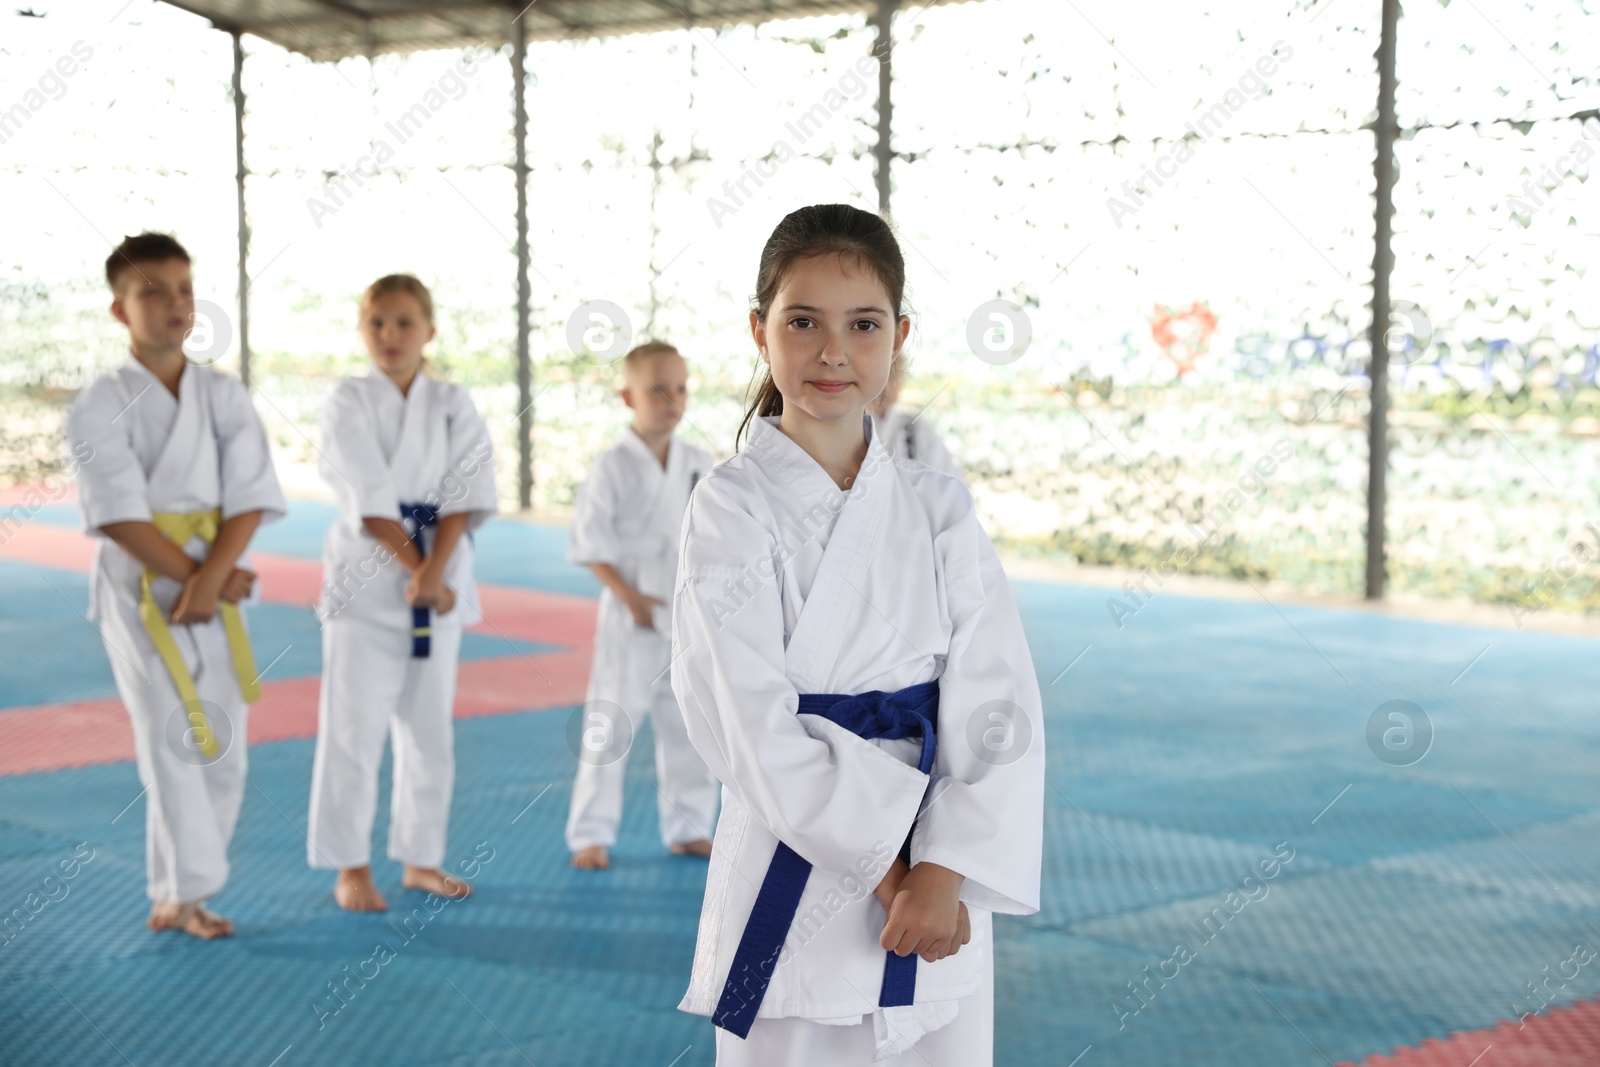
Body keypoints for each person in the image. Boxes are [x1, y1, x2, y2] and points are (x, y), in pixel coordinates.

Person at [669, 204, 1045, 1065]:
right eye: (802, 322)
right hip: (794, 855)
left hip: (935, 876)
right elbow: (743, 715)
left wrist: (944, 867)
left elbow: (999, 695)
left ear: (899, 335)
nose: (833, 351)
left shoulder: (937, 501)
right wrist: (891, 867)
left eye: (863, 324)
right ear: (760, 331)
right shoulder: (731, 503)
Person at [67, 232, 285, 939]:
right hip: (139, 589)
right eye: (152, 290)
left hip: (212, 578)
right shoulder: (99, 404)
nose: (174, 304)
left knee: (223, 741)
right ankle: (185, 895)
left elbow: (250, 494)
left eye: (184, 289)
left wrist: (212, 577)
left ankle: (179, 883)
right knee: (170, 737)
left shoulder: (223, 393)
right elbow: (120, 515)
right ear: (119, 309)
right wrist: (204, 577)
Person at [307, 274, 497, 912]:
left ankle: (420, 859)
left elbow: (467, 489)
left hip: (438, 583)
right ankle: (351, 867)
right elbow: (368, 496)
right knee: (353, 732)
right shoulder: (348, 401)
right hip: (367, 583)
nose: (390, 335)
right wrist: (417, 568)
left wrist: (435, 571)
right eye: (377, 323)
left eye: (404, 323)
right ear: (363, 331)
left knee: (430, 733)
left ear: (429, 330)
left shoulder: (451, 401)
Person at [566, 342, 718, 870]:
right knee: (610, 724)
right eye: (657, 389)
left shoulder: (699, 463)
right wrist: (629, 598)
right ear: (627, 395)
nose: (671, 399)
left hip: (685, 617)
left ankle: (690, 826)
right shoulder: (611, 466)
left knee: (689, 725)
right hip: (630, 618)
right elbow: (590, 544)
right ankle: (591, 833)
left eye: (679, 388)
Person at [868, 356, 961, 477]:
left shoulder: (915, 426)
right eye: (894, 379)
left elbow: (946, 479)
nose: (898, 386)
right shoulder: (851, 423)